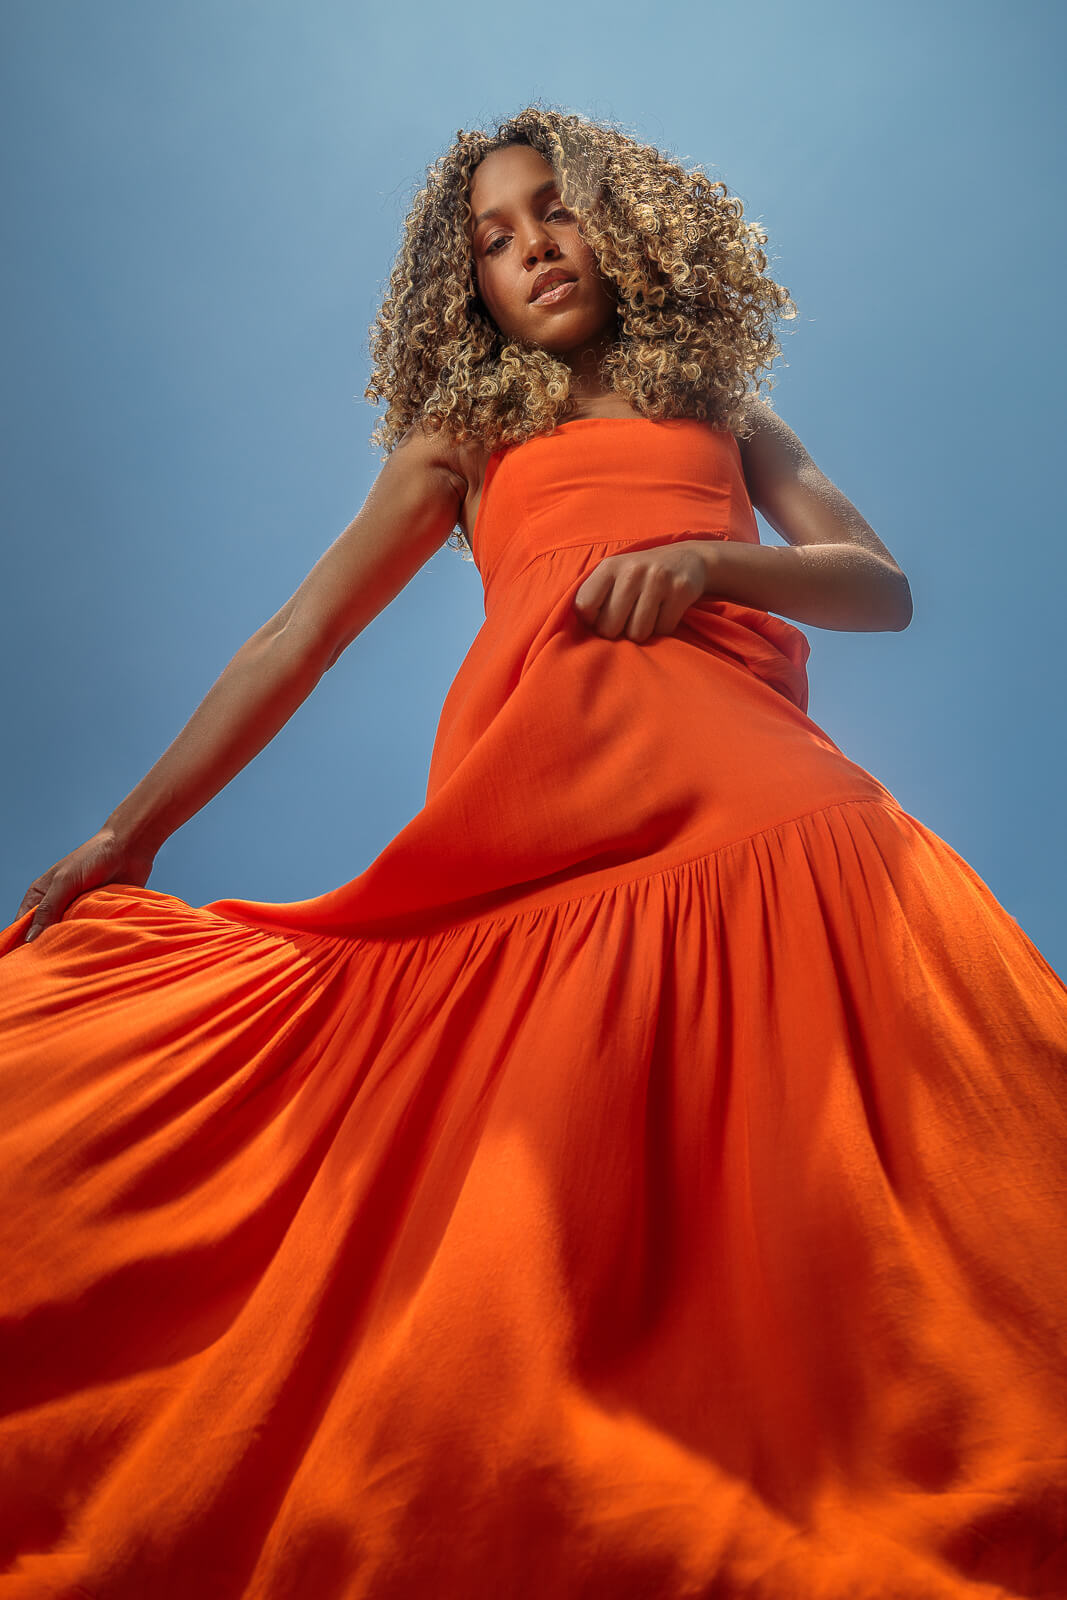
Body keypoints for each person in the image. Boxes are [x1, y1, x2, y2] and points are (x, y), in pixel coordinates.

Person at [1, 105, 1064, 1600]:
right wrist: (135, 828)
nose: (534, 248)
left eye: (555, 210)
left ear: (621, 225)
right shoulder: (467, 442)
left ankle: (868, 1441)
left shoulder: (720, 410)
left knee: (884, 1117)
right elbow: (300, 636)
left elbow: (877, 586)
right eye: (494, 241)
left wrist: (710, 557)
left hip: (758, 805)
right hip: (534, 840)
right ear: (471, 291)